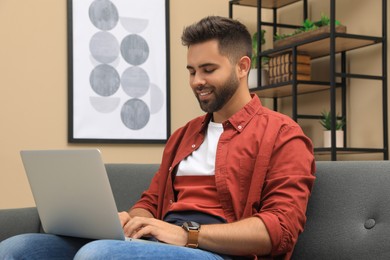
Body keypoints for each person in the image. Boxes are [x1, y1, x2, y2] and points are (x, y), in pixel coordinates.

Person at [0, 16, 315, 259]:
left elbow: (280, 229)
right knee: (19, 248)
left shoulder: (283, 135)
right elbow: (150, 203)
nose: (197, 81)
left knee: (99, 255)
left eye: (208, 69)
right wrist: (132, 221)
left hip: (217, 252)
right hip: (163, 243)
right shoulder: (184, 135)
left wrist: (186, 235)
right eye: (191, 71)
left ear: (242, 66)